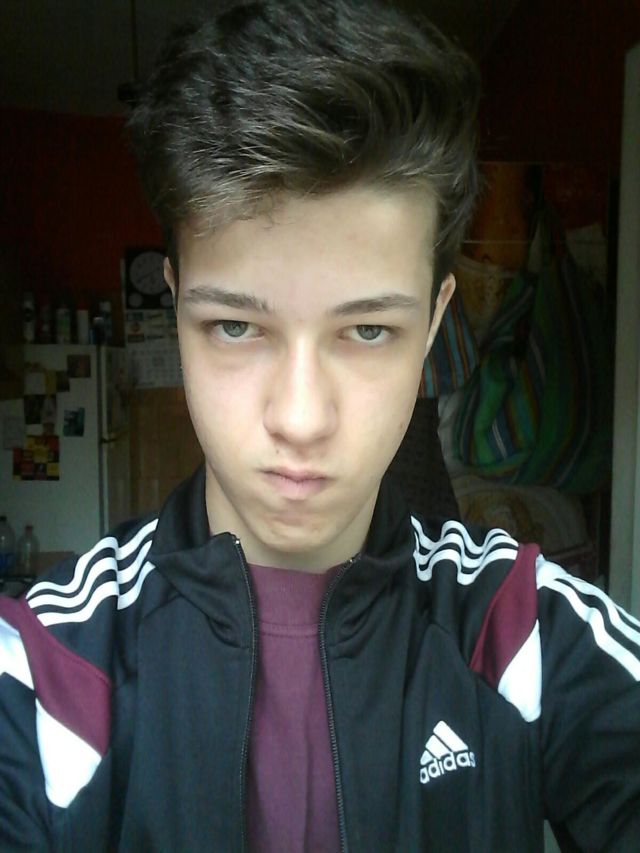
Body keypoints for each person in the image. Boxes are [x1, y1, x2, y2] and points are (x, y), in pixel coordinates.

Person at [0, 1, 638, 849]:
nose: (300, 419)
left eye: (368, 330)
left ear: (434, 324)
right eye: (236, 326)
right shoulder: (46, 666)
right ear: (176, 307)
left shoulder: (523, 630)